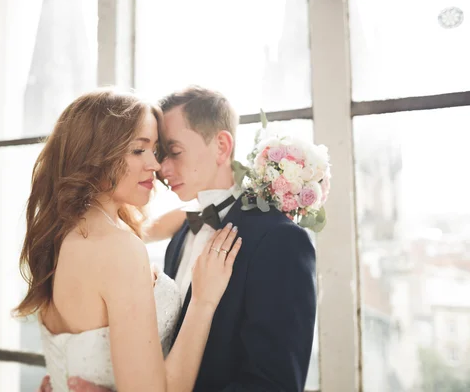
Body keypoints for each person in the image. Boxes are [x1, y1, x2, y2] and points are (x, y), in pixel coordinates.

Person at [54, 85, 317, 392]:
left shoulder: (279, 241)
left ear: (221, 145)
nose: (161, 169)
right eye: (157, 153)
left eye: (173, 152)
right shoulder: (182, 233)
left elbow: (275, 385)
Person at [16, 88, 242, 392]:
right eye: (139, 150)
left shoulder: (59, 236)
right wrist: (203, 301)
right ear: (95, 155)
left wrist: (233, 196)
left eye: (157, 150)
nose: (156, 165)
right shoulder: (118, 248)